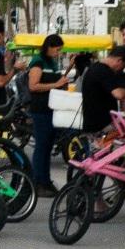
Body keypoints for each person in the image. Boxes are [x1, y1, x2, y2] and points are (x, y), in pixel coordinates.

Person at [26, 33, 72, 193]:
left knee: (48, 146)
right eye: (57, 49)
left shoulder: (51, 62)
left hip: (52, 108)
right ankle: (38, 181)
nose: (58, 53)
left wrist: (67, 72)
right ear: (49, 46)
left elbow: (57, 81)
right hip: (40, 109)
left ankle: (45, 180)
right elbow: (33, 86)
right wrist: (55, 84)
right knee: (41, 146)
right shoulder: (38, 62)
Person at [80, 45, 125, 133]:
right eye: (124, 65)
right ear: (119, 61)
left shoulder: (95, 67)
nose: (121, 69)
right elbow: (119, 94)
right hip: (100, 126)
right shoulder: (104, 71)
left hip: (94, 123)